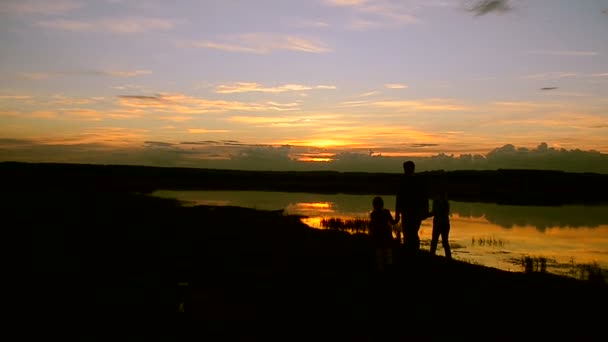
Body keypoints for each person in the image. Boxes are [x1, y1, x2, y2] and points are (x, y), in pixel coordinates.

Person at [395, 160, 431, 252]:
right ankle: (412, 252)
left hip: (412, 213)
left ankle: (412, 252)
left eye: (405, 168)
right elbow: (399, 198)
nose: (404, 170)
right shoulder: (413, 181)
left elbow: (399, 198)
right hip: (410, 213)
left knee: (411, 233)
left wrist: (397, 214)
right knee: (410, 233)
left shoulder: (408, 181)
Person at [369, 196, 398, 272]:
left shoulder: (373, 214)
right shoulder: (386, 212)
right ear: (382, 204)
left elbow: (372, 227)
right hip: (386, 235)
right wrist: (398, 216)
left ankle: (381, 268)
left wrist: (371, 236)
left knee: (379, 252)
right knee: (388, 252)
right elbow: (393, 222)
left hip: (378, 236)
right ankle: (389, 268)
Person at [430, 188, 452, 259]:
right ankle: (448, 258)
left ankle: (431, 256)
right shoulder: (446, 202)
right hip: (445, 224)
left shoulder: (436, 201)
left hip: (438, 223)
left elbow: (434, 212)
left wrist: (424, 215)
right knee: (445, 242)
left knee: (434, 242)